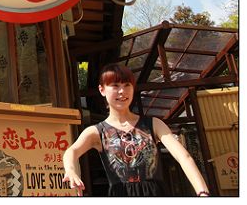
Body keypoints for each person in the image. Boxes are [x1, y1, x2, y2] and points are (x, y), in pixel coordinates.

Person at [63, 63, 210, 197]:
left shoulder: (154, 124)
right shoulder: (96, 131)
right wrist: (70, 170)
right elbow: (71, 152)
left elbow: (184, 157)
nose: (122, 91)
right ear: (102, 90)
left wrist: (202, 192)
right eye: (115, 86)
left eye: (127, 85)